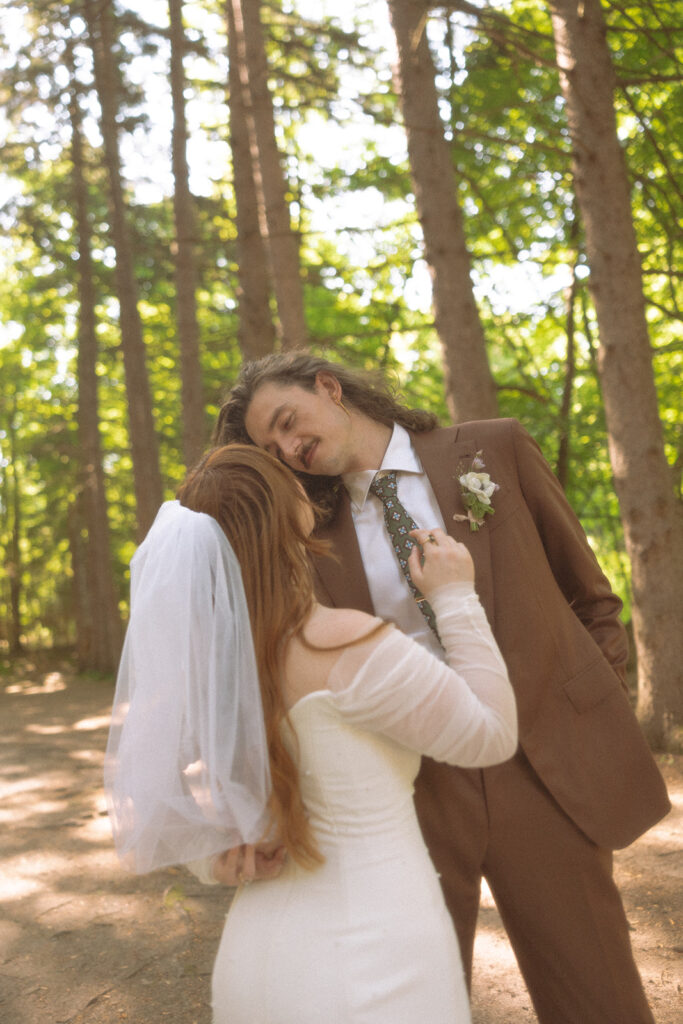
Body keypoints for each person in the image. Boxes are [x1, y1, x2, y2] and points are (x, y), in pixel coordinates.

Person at [214, 352, 671, 1024]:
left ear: (330, 389)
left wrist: (582, 723)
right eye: (272, 446)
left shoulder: (493, 449)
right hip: (409, 787)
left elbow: (591, 599)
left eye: (287, 422)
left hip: (542, 769)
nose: (289, 447)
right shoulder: (307, 533)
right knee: (422, 994)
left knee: (596, 994)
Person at [105, 444, 518, 1024]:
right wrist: (455, 595)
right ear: (288, 513)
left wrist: (214, 859)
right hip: (376, 957)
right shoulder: (344, 643)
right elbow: (490, 735)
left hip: (257, 961)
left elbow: (159, 795)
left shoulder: (210, 672)